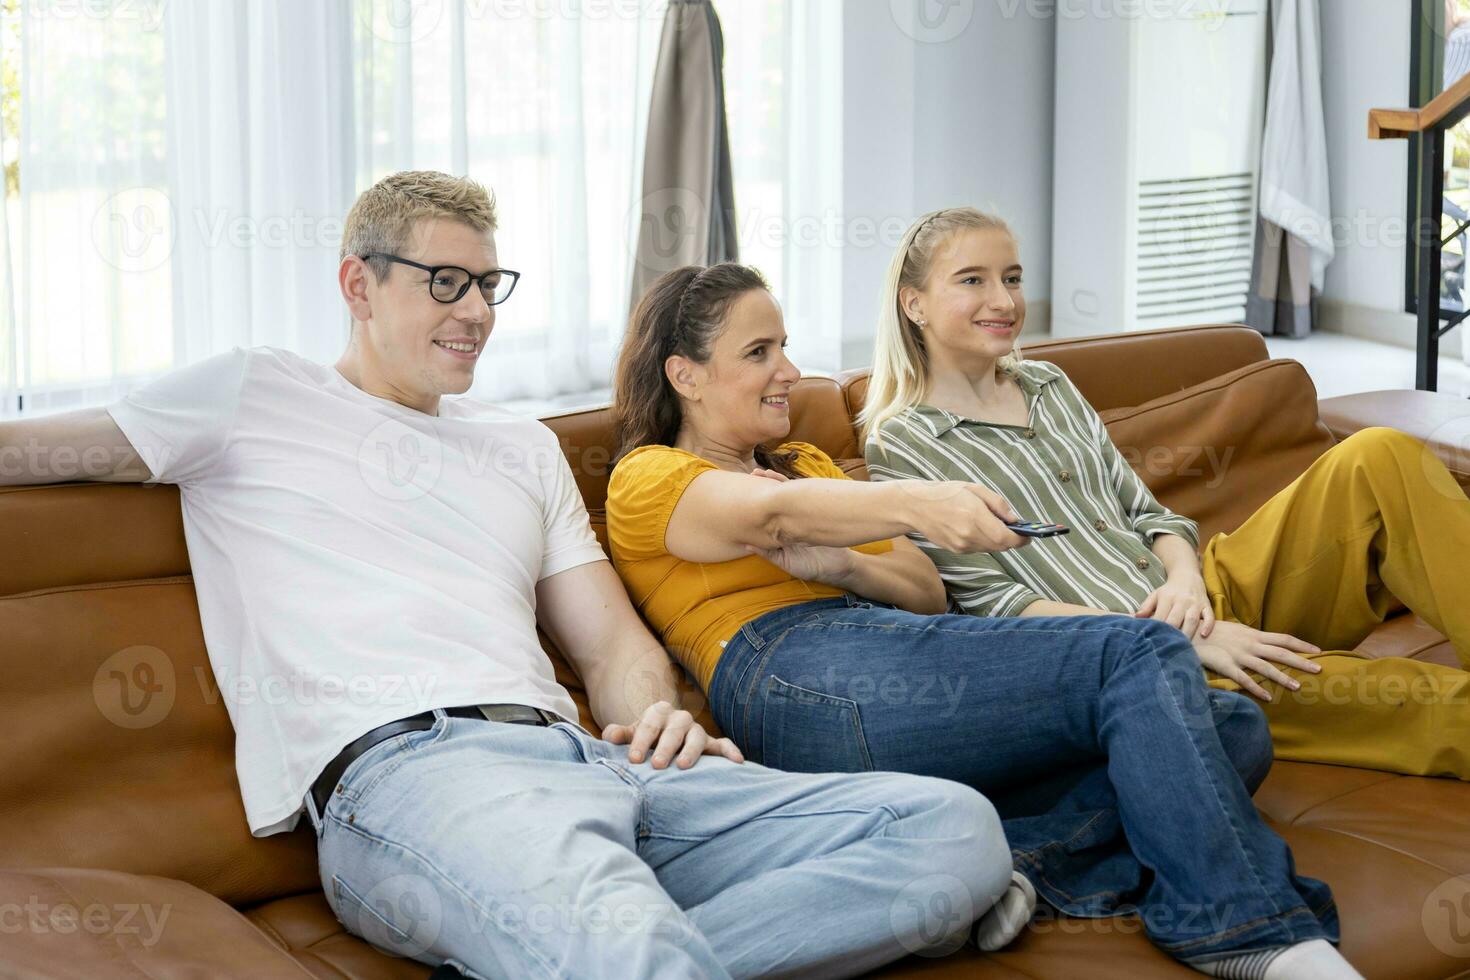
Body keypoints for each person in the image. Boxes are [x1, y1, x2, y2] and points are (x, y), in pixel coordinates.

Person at [0, 172, 1023, 979]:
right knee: (628, 944)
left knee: (953, 836)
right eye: (445, 281)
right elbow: (39, 449)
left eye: (489, 283)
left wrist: (656, 715)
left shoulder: (519, 444)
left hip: (599, 766)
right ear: (359, 285)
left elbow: (613, 645)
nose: (476, 310)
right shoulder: (253, 396)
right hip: (414, 779)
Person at [605, 262, 1359, 978]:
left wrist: (839, 565)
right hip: (792, 683)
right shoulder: (651, 477)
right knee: (1137, 652)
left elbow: (925, 590)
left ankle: (1008, 869)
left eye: (786, 348)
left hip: (899, 655)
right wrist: (922, 499)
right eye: (759, 352)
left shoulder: (808, 462)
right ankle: (1250, 929)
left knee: (1228, 725)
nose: (789, 373)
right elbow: (764, 515)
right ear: (686, 375)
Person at [861, 206, 1470, 783]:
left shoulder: (1046, 383)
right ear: (914, 303)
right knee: (1423, 703)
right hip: (1138, 655)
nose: (1005, 300)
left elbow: (1148, 513)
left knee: (1378, 454)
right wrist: (1180, 638)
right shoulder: (905, 442)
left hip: (1203, 590)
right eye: (973, 280)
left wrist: (1186, 585)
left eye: (1012, 278)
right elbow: (994, 604)